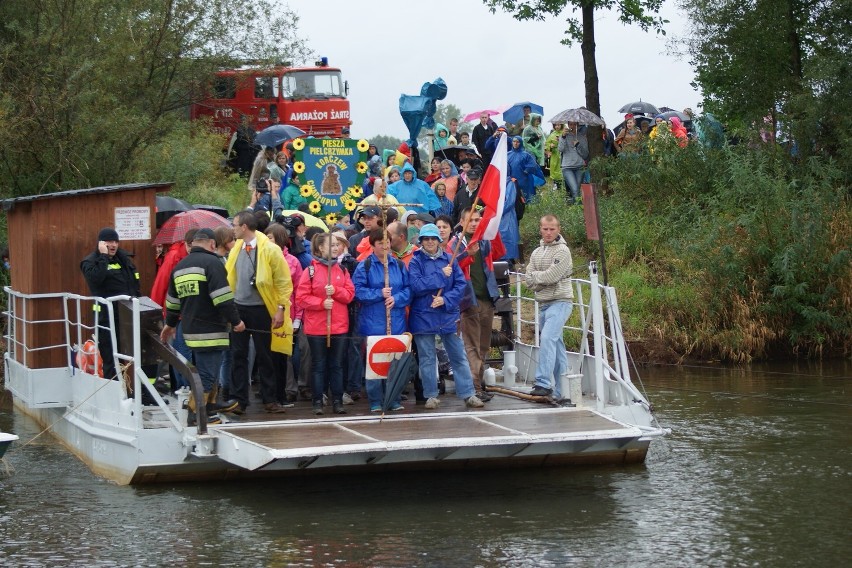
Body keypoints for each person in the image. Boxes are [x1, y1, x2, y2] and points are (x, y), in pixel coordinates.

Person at [161, 229, 245, 425]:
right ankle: (195, 413)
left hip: (190, 331)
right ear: (212, 244)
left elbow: (172, 304)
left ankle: (210, 405)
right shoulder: (213, 264)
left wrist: (170, 325)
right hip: (212, 330)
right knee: (207, 374)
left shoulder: (180, 267)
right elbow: (223, 299)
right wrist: (237, 321)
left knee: (208, 370)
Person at [225, 211, 294, 414]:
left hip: (262, 308)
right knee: (238, 354)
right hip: (239, 306)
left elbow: (283, 282)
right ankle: (239, 400)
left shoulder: (271, 250)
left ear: (244, 227)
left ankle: (269, 398)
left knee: (266, 355)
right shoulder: (237, 248)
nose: (233, 229)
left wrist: (281, 308)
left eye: (235, 225)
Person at [408, 224, 484, 410]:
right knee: (427, 358)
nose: (430, 242)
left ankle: (468, 393)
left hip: (447, 315)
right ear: (421, 241)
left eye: (433, 238)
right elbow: (416, 285)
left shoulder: (450, 260)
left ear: (439, 240)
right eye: (426, 239)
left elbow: (460, 286)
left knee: (458, 356)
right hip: (423, 316)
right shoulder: (415, 262)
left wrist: (445, 299)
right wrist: (440, 276)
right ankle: (430, 395)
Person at [352, 229, 412, 412]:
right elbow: (357, 291)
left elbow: (409, 290)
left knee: (395, 360)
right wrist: (378, 294)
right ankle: (375, 400)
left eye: (387, 242)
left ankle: (393, 398)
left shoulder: (399, 266)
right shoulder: (365, 266)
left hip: (396, 320)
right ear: (372, 245)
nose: (385, 246)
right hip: (373, 321)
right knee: (375, 362)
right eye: (380, 243)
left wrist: (397, 299)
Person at [296, 232, 355, 415]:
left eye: (337, 245)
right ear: (321, 248)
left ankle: (337, 400)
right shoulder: (310, 271)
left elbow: (350, 295)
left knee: (336, 365)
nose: (336, 248)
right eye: (332, 245)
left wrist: (336, 291)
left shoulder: (342, 270)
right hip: (317, 327)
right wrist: (321, 304)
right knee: (319, 365)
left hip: (338, 326)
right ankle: (317, 401)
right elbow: (301, 298)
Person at [80, 227, 141, 384]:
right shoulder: (90, 262)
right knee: (110, 356)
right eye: (109, 242)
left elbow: (133, 285)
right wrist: (104, 257)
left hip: (127, 316)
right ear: (101, 243)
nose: (113, 245)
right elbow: (95, 280)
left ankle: (135, 392)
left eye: (115, 241)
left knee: (129, 355)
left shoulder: (124, 260)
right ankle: (113, 393)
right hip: (106, 318)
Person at [525, 215, 574, 400]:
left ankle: (543, 383)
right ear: (540, 229)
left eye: (552, 229)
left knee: (547, 338)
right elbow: (528, 279)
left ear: (558, 229)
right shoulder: (537, 252)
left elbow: (552, 277)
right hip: (544, 304)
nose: (548, 232)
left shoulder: (563, 251)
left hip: (561, 302)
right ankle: (563, 391)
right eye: (545, 229)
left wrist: (537, 278)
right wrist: (539, 278)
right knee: (557, 345)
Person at [454, 208, 500, 402]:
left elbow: (499, 252)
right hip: (468, 300)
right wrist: (466, 254)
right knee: (471, 345)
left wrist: (493, 226)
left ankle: (479, 384)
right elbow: (450, 267)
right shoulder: (456, 243)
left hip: (486, 297)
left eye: (477, 220)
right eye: (470, 220)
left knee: (483, 345)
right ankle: (474, 387)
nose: (474, 223)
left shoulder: (484, 240)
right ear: (462, 222)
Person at [265, 223, 304, 406]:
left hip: (287, 313)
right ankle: (270, 392)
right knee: (268, 356)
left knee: (284, 355)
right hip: (265, 312)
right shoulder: (262, 258)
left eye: (271, 237)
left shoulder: (293, 262)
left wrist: (297, 317)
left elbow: (298, 291)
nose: (267, 241)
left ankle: (286, 391)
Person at [558, 121, 589, 204]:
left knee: (577, 190)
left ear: (577, 125)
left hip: (580, 166)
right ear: (568, 125)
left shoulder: (582, 137)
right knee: (574, 189)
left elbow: (585, 154)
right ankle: (578, 209)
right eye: (570, 124)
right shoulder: (563, 136)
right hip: (567, 167)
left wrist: (577, 145)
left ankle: (576, 207)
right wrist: (563, 137)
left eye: (574, 124)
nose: (572, 126)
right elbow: (560, 149)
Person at [507, 136, 544, 202]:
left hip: (523, 178)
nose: (515, 143)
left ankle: (527, 205)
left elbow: (533, 164)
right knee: (513, 194)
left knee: (525, 194)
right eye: (514, 141)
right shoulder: (508, 154)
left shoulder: (526, 155)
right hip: (511, 178)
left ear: (520, 143)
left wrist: (526, 171)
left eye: (517, 142)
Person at [545, 123, 565, 190]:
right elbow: (547, 143)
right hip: (554, 154)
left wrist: (561, 140)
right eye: (555, 125)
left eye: (558, 125)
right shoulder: (552, 134)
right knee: (554, 168)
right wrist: (550, 146)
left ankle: (564, 184)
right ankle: (556, 184)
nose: (557, 126)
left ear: (561, 125)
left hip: (563, 153)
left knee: (562, 169)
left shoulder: (564, 132)